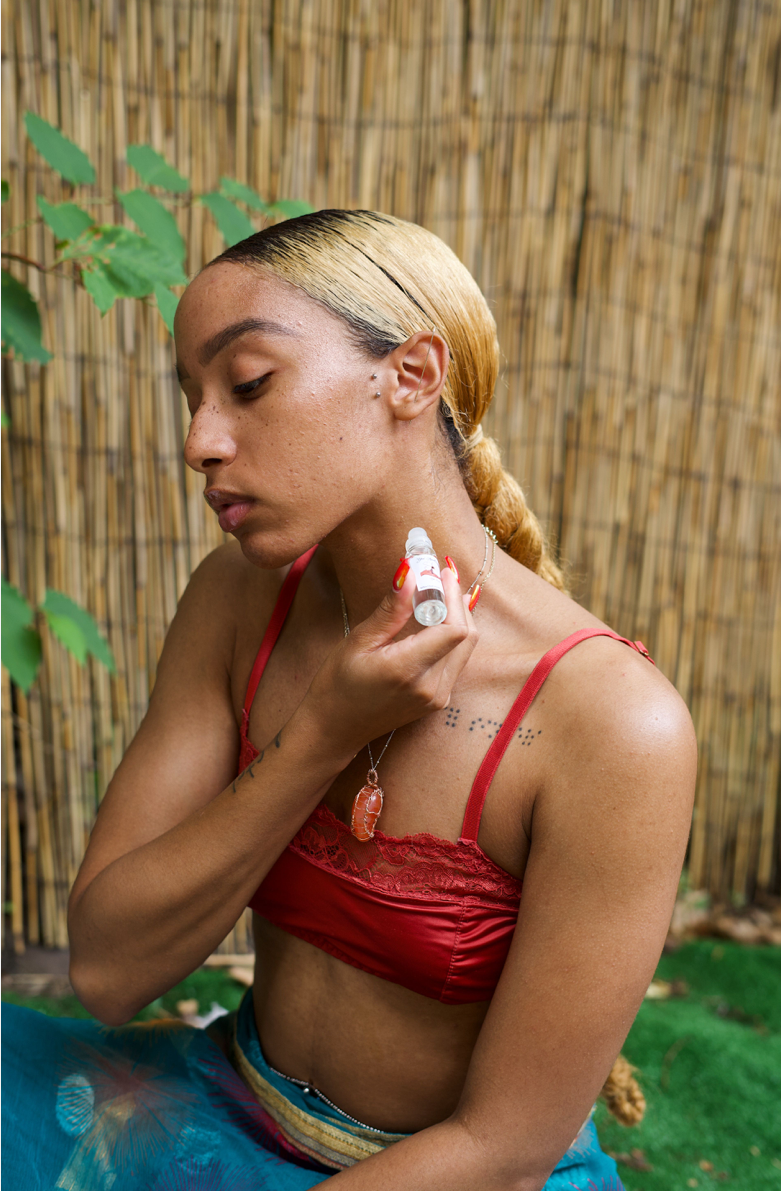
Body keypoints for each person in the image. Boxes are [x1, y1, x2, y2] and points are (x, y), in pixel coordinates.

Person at [2, 210, 696, 1190]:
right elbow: (111, 970)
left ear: (410, 376)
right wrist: (323, 731)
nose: (200, 439)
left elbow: (501, 1151)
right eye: (192, 396)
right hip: (225, 1101)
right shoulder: (238, 603)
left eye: (248, 384)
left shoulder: (612, 722)